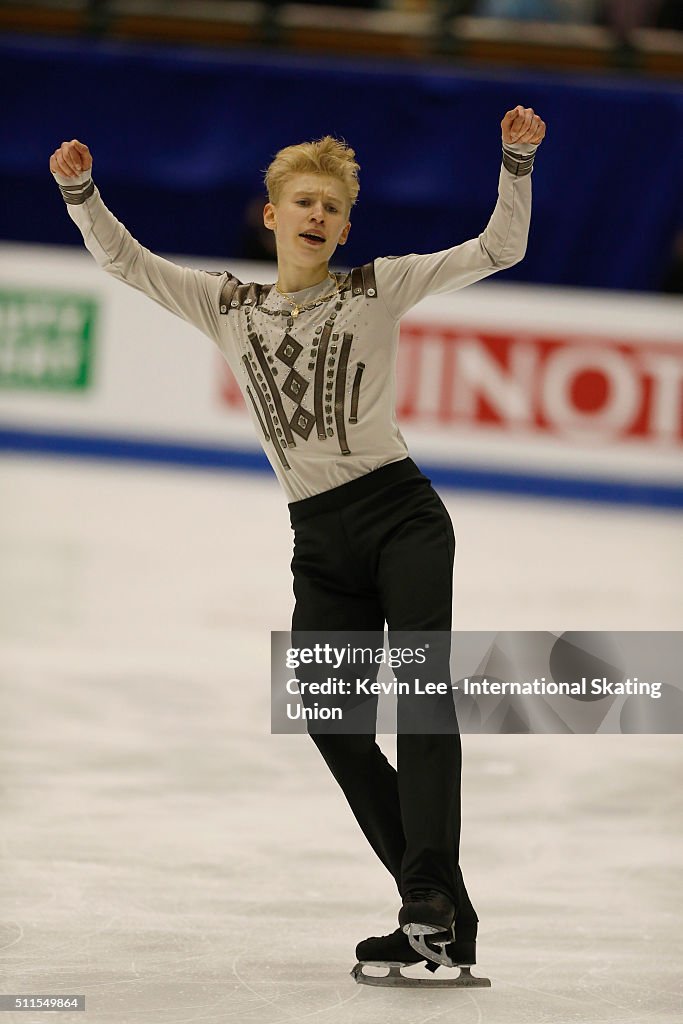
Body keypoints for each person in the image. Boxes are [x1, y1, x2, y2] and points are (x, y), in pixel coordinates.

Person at [49, 104, 546, 984]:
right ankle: (443, 911)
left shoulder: (377, 287)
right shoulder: (226, 306)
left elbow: (496, 249)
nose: (316, 217)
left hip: (402, 518)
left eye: (330, 208)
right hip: (318, 539)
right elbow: (125, 263)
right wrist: (82, 194)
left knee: (421, 699)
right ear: (272, 215)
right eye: (302, 203)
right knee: (334, 722)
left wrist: (514, 162)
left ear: (344, 227)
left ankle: (425, 899)